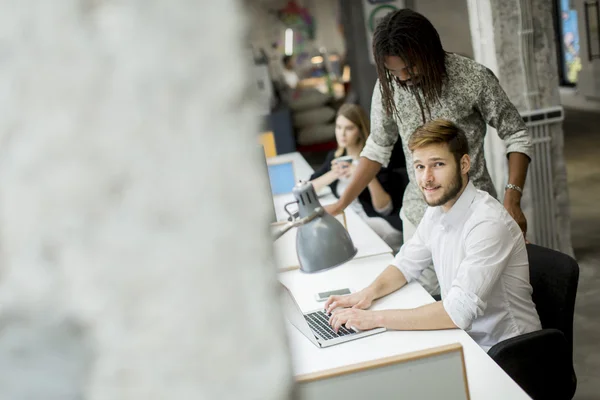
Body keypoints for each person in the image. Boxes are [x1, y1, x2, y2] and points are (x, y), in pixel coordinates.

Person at [324, 9, 532, 295]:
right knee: (423, 301)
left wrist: (512, 197)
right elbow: (377, 148)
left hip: (472, 216)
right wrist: (341, 204)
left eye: (409, 67)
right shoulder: (389, 88)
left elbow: (516, 133)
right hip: (419, 217)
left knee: (477, 306)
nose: (403, 77)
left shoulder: (472, 78)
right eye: (393, 71)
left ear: (429, 51)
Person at [324, 120, 541, 351]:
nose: (426, 178)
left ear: (464, 164)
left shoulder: (488, 223)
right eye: (419, 167)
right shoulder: (438, 210)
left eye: (437, 164)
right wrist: (366, 295)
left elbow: (458, 312)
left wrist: (375, 319)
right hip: (466, 339)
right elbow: (406, 264)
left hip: (508, 352)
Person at [310, 104, 405, 252]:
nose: (342, 134)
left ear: (360, 131)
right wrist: (333, 173)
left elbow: (384, 209)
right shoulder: (335, 157)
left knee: (340, 236)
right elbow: (310, 189)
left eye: (349, 128)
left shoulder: (375, 161)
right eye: (338, 127)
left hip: (377, 221)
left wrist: (363, 174)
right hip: (352, 219)